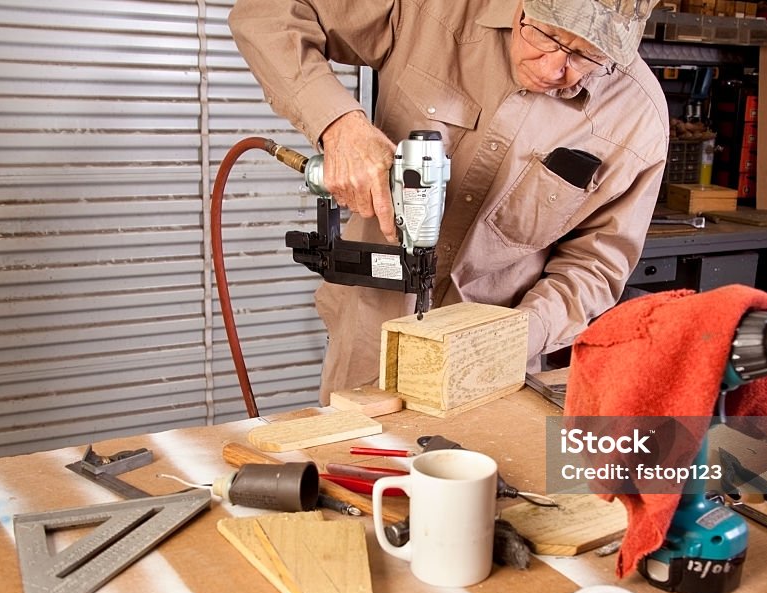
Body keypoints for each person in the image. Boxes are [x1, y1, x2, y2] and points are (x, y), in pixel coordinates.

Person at [229, 0, 668, 404]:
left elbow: (594, 266)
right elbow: (268, 15)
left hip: (489, 368)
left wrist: (519, 334)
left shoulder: (637, 120)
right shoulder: (432, 11)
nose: (554, 67)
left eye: (586, 55)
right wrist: (339, 125)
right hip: (370, 338)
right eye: (547, 35)